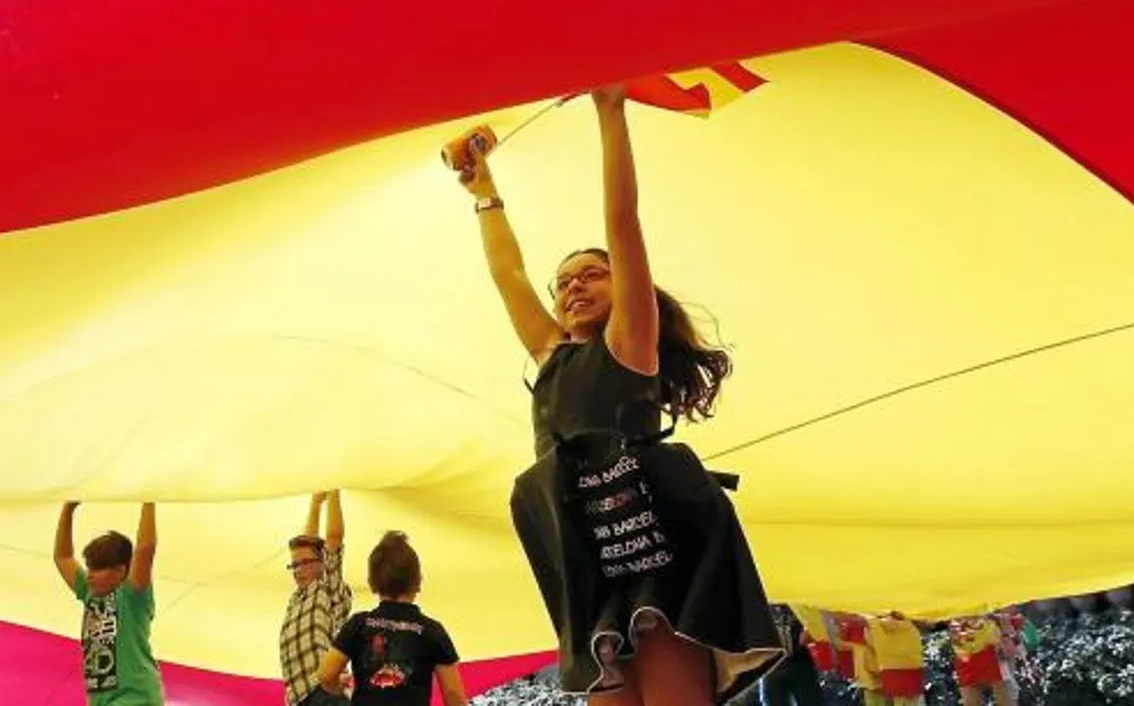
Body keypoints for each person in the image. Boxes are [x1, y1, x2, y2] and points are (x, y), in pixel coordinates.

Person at [450, 84, 783, 705]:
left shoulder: (629, 345)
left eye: (592, 275)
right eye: (563, 283)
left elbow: (622, 221)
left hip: (648, 549)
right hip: (588, 560)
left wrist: (610, 112)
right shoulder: (553, 357)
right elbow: (508, 275)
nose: (573, 287)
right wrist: (482, 191)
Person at [315, 530, 468, 706]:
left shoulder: (359, 624)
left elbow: (325, 674)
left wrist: (336, 686)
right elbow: (454, 696)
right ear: (418, 582)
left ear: (372, 584)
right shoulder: (432, 630)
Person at [54, 501, 164, 705]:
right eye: (89, 568)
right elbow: (63, 557)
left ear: (121, 571)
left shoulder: (132, 596)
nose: (89, 575)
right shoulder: (90, 594)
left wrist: (149, 499)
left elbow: (145, 549)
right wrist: (68, 508)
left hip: (135, 698)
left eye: (97, 569)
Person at [282, 491, 353, 706]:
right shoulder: (297, 598)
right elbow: (308, 544)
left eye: (305, 563)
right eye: (294, 565)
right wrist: (314, 504)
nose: (299, 569)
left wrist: (332, 495)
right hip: (300, 699)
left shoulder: (326, 589)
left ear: (323, 563)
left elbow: (333, 539)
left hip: (324, 695)